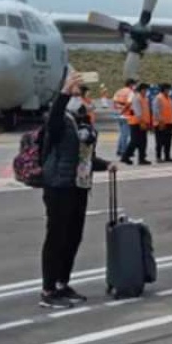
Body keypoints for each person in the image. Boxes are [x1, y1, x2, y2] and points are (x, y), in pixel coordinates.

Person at [39, 72, 114, 308]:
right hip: (59, 187)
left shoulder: (81, 122)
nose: (83, 98)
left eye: (83, 94)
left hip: (79, 186)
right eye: (79, 94)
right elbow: (53, 121)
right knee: (56, 237)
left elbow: (83, 156)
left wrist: (104, 165)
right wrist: (63, 94)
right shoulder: (60, 121)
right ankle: (48, 290)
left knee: (73, 237)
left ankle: (62, 283)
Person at [121, 83, 152, 165]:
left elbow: (146, 111)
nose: (146, 92)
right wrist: (142, 122)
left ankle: (142, 158)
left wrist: (148, 122)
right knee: (134, 141)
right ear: (141, 90)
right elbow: (138, 112)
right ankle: (125, 156)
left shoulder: (145, 98)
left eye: (147, 90)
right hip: (136, 123)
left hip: (143, 122)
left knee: (143, 141)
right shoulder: (136, 98)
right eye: (145, 90)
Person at [153, 83, 172, 163]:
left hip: (169, 123)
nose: (170, 91)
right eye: (168, 89)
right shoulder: (158, 98)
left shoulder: (169, 98)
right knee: (160, 141)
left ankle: (167, 156)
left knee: (168, 141)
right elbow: (156, 111)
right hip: (161, 123)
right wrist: (160, 121)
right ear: (164, 90)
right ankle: (158, 157)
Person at [112, 78, 136, 157]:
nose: (135, 87)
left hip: (118, 115)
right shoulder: (130, 92)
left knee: (122, 133)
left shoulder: (118, 91)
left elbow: (114, 102)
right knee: (125, 134)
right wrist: (123, 111)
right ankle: (124, 151)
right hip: (126, 115)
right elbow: (129, 104)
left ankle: (119, 150)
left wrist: (119, 111)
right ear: (131, 85)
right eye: (134, 85)